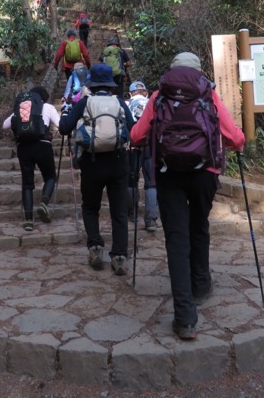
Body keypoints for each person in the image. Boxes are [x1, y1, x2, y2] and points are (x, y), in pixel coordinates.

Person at [129, 52, 245, 341]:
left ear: (172, 71)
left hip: (169, 174)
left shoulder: (159, 96)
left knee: (177, 239)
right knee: (199, 226)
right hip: (205, 172)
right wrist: (239, 142)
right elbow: (232, 136)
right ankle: (201, 284)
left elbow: (136, 135)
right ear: (198, 72)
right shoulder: (208, 93)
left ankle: (185, 319)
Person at [59, 64, 134, 275]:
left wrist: (66, 113)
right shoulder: (119, 102)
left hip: (91, 164)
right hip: (118, 162)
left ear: (91, 84)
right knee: (119, 211)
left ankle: (95, 247)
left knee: (90, 207)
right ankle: (119, 256)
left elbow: (64, 128)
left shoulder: (85, 102)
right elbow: (134, 129)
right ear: (111, 84)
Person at [2, 86, 60, 231]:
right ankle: (43, 203)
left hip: (24, 147)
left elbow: (5, 125)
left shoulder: (23, 107)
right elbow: (60, 125)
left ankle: (28, 221)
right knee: (50, 177)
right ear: (44, 98)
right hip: (43, 145)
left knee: (27, 183)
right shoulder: (47, 106)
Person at [127, 81, 159, 232]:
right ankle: (151, 219)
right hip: (151, 147)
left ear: (130, 93)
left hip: (133, 146)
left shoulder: (127, 104)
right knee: (151, 182)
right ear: (146, 92)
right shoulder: (153, 103)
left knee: (131, 180)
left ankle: (131, 212)